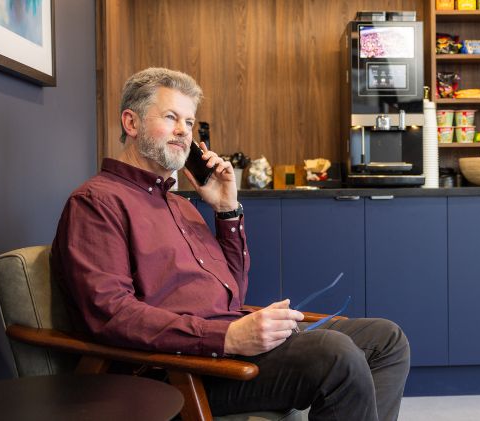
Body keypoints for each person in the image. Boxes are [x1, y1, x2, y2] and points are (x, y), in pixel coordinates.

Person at [51, 67, 410, 420]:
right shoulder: (97, 202)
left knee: (386, 341)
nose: (183, 132)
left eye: (189, 123)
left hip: (222, 346)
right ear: (131, 123)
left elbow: (232, 294)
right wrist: (226, 337)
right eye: (171, 117)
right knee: (336, 355)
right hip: (174, 369)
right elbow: (112, 315)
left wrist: (227, 210)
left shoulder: (179, 204)